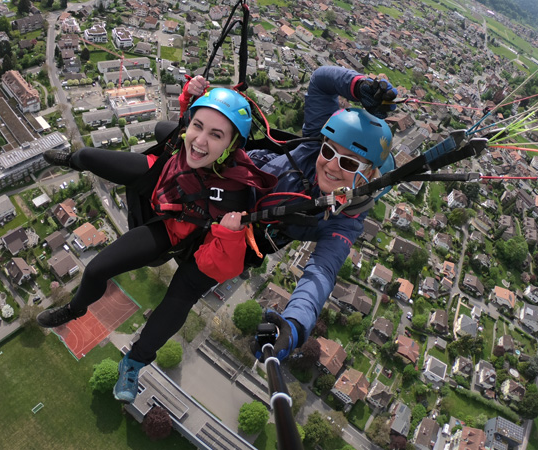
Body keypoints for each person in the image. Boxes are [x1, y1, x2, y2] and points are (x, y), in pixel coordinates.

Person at [37, 83, 277, 402]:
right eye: (198, 126)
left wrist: (228, 232)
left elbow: (225, 265)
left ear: (232, 145)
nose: (201, 141)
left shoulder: (236, 193)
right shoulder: (185, 139)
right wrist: (188, 98)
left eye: (216, 135)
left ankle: (133, 362)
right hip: (163, 179)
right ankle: (76, 308)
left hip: (181, 234)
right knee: (92, 160)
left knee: (164, 292)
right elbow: (183, 129)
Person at [246, 65, 397, 359]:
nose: (330, 165)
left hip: (251, 231)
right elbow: (320, 82)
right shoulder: (317, 139)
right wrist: (359, 86)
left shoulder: (346, 220)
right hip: (238, 180)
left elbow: (321, 273)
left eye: (350, 163)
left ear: (369, 176)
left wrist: (294, 325)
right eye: (329, 152)